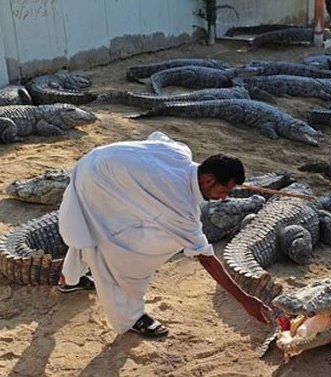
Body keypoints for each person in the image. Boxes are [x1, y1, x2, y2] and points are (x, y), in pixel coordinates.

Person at [57, 131, 272, 338]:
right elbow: (206, 257)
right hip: (98, 183)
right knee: (119, 249)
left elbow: (156, 137)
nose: (225, 198)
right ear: (208, 181)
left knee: (87, 224)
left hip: (93, 161)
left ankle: (69, 279)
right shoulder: (180, 205)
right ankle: (131, 318)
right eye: (224, 191)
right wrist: (245, 300)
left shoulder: (180, 152)